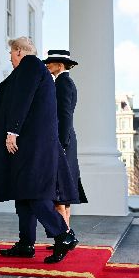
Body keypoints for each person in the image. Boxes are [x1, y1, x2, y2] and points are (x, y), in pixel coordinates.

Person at [0, 37, 78, 264]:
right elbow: (12, 107)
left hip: (32, 146)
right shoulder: (30, 72)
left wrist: (13, 131)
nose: (10, 58)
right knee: (23, 194)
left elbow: (23, 100)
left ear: (19, 51)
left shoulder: (30, 64)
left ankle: (64, 235)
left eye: (11, 53)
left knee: (34, 194)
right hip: (28, 145)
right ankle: (25, 243)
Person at [43, 50, 88, 233]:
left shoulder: (62, 83)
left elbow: (65, 115)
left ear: (60, 65)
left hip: (63, 141)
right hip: (66, 139)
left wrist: (61, 143)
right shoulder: (64, 82)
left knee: (60, 194)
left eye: (50, 63)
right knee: (63, 194)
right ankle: (66, 233)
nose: (47, 65)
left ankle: (63, 237)